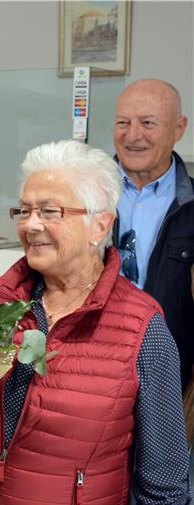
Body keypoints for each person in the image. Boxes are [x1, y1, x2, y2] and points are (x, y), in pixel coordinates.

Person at [0, 140, 189, 505]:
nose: (31, 224)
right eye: (24, 210)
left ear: (99, 225)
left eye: (50, 212)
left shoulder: (143, 330)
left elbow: (164, 483)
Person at [113, 79, 193, 395]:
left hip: (173, 375)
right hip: (91, 370)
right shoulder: (83, 194)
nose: (133, 135)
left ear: (178, 128)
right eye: (123, 122)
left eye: (148, 123)